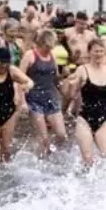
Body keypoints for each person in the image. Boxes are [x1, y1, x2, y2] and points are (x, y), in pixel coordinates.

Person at [63, 38, 106, 165]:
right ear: (89, 53)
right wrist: (70, 85)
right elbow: (70, 94)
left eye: (101, 51)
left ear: (105, 53)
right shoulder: (82, 69)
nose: (98, 54)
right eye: (95, 51)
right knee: (88, 160)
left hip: (103, 119)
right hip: (84, 119)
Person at [19, 28, 68, 157]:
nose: (49, 49)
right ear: (41, 43)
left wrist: (64, 88)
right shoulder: (30, 55)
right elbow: (19, 79)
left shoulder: (53, 55)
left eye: (51, 46)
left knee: (62, 135)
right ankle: (39, 162)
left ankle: (51, 154)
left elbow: (55, 78)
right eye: (47, 46)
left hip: (50, 97)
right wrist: (22, 101)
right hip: (34, 99)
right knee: (44, 138)